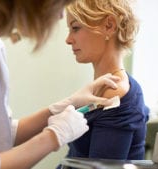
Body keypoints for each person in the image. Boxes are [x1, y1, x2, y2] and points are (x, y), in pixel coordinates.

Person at [0, 0, 121, 168]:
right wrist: (54, 136)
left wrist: (61, 106)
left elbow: (1, 132)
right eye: (60, 3)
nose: (60, 15)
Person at [62, 0, 150, 162]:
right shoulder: (101, 89)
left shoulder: (114, 91)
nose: (68, 40)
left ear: (109, 26)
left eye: (75, 28)